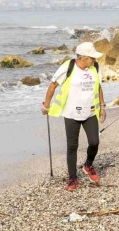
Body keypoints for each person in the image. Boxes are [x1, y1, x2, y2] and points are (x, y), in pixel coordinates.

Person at [42, 42, 106, 190]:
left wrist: (102, 106)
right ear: (82, 57)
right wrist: (46, 105)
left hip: (90, 112)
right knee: (72, 146)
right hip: (71, 113)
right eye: (91, 58)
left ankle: (88, 165)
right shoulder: (68, 67)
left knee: (94, 142)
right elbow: (52, 85)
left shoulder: (95, 68)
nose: (94, 61)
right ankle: (72, 178)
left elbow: (98, 87)